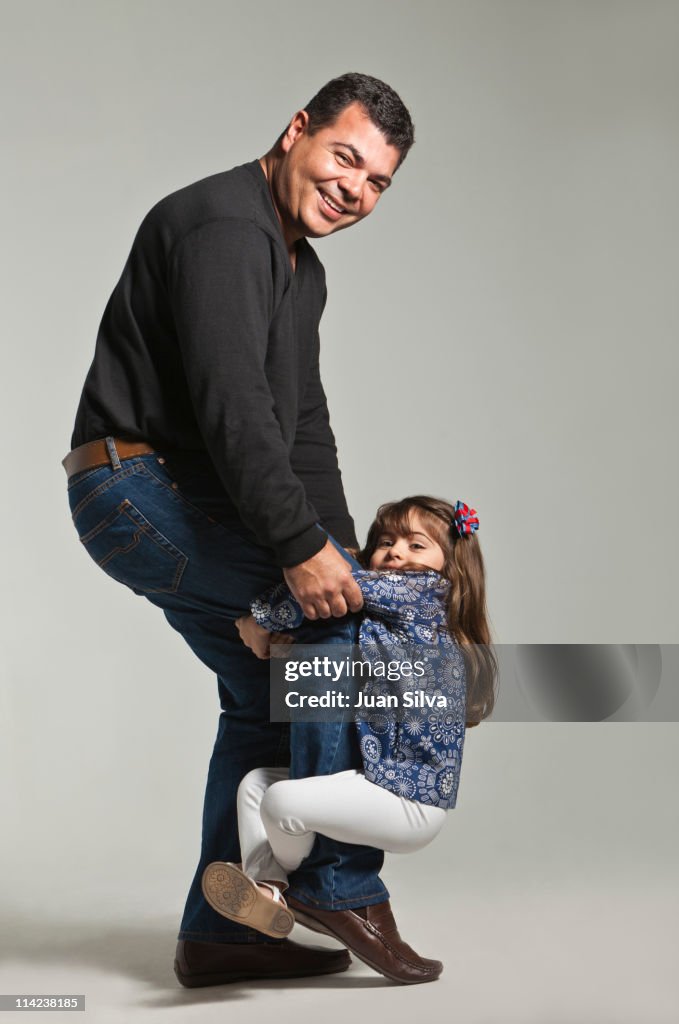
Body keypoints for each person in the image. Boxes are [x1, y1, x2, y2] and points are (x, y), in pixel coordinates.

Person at [63, 73, 423, 986]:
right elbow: (235, 413)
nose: (356, 189)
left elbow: (302, 431)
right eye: (346, 157)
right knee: (327, 633)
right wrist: (306, 564)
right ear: (297, 130)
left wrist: (341, 558)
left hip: (184, 492)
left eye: (378, 181)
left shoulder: (301, 267)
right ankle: (343, 882)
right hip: (136, 490)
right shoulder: (227, 228)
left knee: (273, 688)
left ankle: (223, 934)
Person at [201, 496, 497, 984]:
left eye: (415, 544)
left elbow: (331, 586)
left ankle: (302, 890)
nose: (395, 552)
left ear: (451, 565)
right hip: (371, 781)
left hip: (408, 801)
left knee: (279, 800)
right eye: (386, 542)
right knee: (254, 785)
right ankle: (270, 892)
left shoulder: (424, 594)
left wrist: (259, 619)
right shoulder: (391, 619)